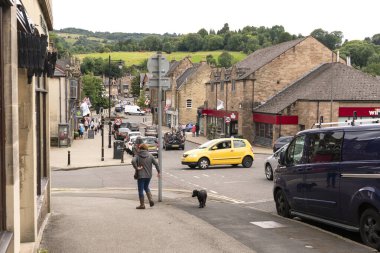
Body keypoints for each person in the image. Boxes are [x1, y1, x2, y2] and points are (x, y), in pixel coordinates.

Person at [131, 143, 160, 209]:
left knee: (140, 190)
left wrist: (137, 168)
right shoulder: (150, 155)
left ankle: (142, 205)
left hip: (141, 176)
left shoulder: (137, 155)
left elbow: (133, 161)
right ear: (146, 148)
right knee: (146, 187)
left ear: (140, 148)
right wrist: (159, 172)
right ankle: (151, 200)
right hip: (149, 175)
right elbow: (156, 164)